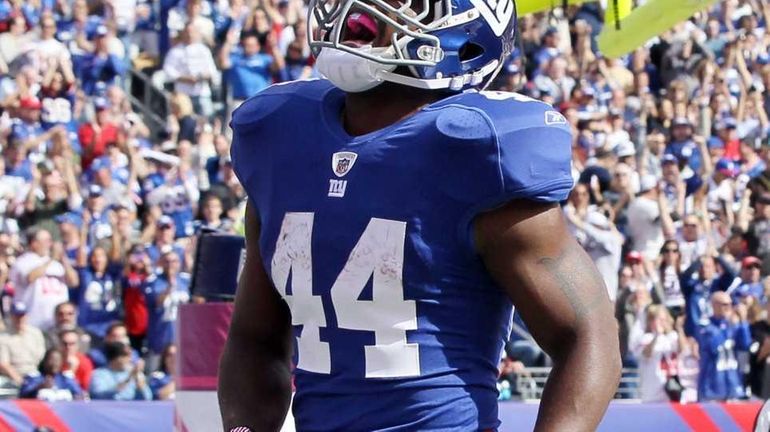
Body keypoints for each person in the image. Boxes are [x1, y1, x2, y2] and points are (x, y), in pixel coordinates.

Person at [219, 0, 621, 430]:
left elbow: (588, 337)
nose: (359, 8)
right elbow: (255, 340)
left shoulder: (476, 151)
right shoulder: (284, 140)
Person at [8, 228, 74, 329]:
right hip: (34, 323)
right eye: (47, 241)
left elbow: (73, 282)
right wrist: (52, 258)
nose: (51, 244)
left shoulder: (56, 264)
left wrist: (63, 258)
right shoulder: (23, 261)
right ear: (34, 243)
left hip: (58, 322)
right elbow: (30, 277)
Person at [697, 291, 751, 401]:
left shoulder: (732, 325)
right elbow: (713, 347)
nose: (729, 307)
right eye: (725, 304)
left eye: (730, 304)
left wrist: (743, 322)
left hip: (732, 383)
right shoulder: (705, 325)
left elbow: (745, 345)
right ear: (714, 305)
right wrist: (727, 326)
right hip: (712, 387)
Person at [632, 305, 682, 403]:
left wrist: (679, 329)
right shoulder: (646, 338)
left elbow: (682, 349)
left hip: (671, 390)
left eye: (664, 319)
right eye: (659, 320)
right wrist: (656, 336)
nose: (662, 323)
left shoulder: (672, 337)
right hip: (651, 392)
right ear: (651, 321)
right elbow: (646, 354)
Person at [0, 302, 45, 389]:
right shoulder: (3, 337)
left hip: (33, 373)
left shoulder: (35, 333)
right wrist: (18, 379)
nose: (19, 319)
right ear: (11, 317)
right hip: (10, 376)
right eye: (16, 316)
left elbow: (39, 356)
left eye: (22, 315)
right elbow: (3, 363)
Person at [19, 348, 83, 401]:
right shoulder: (34, 377)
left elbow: (79, 396)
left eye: (57, 360)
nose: (54, 364)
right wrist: (39, 387)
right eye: (52, 360)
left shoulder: (66, 379)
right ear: (45, 361)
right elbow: (23, 396)